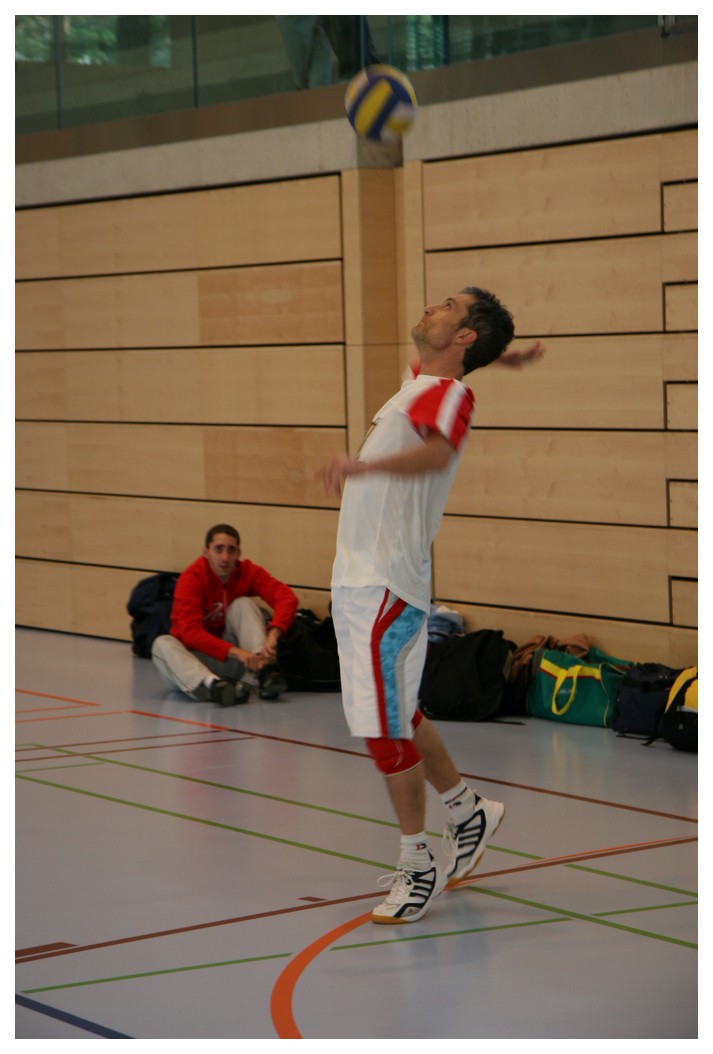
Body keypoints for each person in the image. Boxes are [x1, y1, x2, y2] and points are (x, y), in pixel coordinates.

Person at [317, 288, 544, 924]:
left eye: (447, 305)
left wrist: (362, 469)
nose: (429, 306)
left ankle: (418, 862)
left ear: (463, 335)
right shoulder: (423, 383)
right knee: (396, 712)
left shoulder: (448, 395)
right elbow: (440, 361)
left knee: (382, 727)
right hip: (361, 579)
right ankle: (469, 812)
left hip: (383, 585)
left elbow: (439, 451)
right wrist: (499, 355)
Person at [151, 524, 298, 707]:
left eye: (231, 550)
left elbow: (287, 597)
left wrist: (273, 635)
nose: (225, 557)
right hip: (191, 666)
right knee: (162, 644)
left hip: (231, 662)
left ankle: (263, 672)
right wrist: (237, 652)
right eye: (218, 549)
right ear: (206, 552)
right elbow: (190, 633)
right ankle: (214, 686)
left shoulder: (247, 571)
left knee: (243, 604)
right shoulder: (191, 579)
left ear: (238, 553)